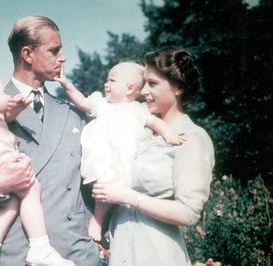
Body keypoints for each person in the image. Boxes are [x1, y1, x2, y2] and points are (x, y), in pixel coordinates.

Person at [0, 15, 100, 266]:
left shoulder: (73, 113)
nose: (63, 57)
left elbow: (96, 177)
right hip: (17, 254)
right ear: (27, 54)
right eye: (54, 50)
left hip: (74, 252)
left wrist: (99, 227)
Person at [92, 47, 215, 265]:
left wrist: (128, 197)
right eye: (144, 83)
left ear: (178, 88)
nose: (143, 91)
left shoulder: (192, 138)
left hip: (157, 252)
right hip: (121, 247)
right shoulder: (139, 130)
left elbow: (189, 213)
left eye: (153, 84)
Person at [55, 62, 186, 242]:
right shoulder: (102, 104)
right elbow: (82, 101)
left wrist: (168, 133)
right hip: (103, 157)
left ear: (129, 88)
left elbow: (156, 123)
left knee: (118, 191)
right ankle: (98, 220)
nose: (106, 84)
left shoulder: (137, 110)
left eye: (112, 80)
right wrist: (66, 84)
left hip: (125, 159)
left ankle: (103, 224)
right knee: (104, 188)